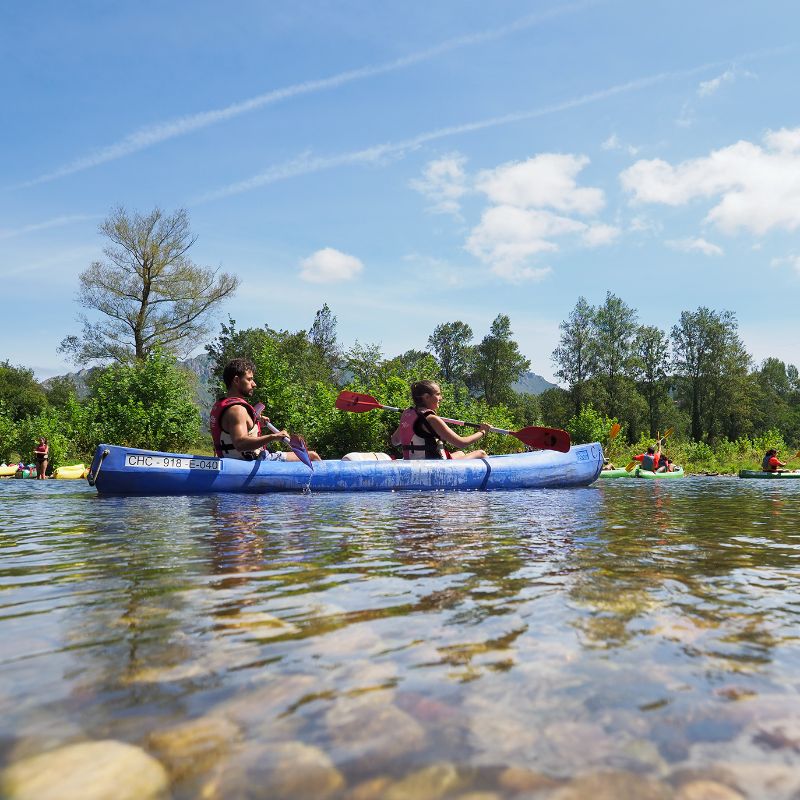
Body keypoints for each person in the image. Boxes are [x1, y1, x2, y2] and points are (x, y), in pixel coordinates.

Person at [209, 358, 321, 462]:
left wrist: (255, 424)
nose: (254, 384)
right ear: (237, 381)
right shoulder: (237, 410)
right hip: (252, 462)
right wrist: (274, 437)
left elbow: (232, 432)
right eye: (249, 379)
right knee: (312, 456)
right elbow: (240, 444)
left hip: (236, 461)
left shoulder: (225, 405)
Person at [390, 380, 491, 460]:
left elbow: (395, 441)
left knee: (460, 453)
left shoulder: (407, 414)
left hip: (412, 463)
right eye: (438, 394)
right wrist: (482, 431)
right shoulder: (431, 419)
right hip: (432, 467)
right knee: (481, 453)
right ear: (426, 397)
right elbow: (461, 443)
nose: (441, 398)